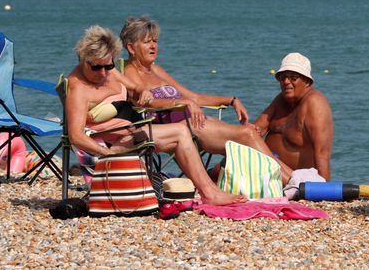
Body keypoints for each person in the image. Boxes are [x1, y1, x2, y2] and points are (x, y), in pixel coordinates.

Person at [65, 25, 244, 205]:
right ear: (84, 59)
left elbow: (135, 87)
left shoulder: (109, 72)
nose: (103, 73)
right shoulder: (79, 89)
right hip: (114, 143)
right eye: (97, 67)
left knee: (180, 134)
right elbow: (76, 136)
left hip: (133, 132)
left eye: (108, 65)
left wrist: (144, 91)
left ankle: (211, 191)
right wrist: (106, 153)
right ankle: (209, 193)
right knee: (180, 133)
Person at [119, 16, 292, 183]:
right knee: (247, 134)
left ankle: (293, 178)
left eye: (155, 41)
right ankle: (292, 182)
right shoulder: (129, 74)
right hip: (183, 128)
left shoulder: (155, 69)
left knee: (250, 133)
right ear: (131, 48)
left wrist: (231, 100)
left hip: (197, 122)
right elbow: (147, 103)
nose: (153, 46)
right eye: (147, 41)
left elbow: (194, 97)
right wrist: (183, 103)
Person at [254, 53, 334, 181]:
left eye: (293, 77)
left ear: (307, 81)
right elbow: (255, 131)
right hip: (266, 173)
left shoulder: (315, 103)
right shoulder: (281, 99)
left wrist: (325, 192)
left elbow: (322, 153)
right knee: (225, 165)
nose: (286, 82)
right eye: (283, 77)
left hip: (295, 181)